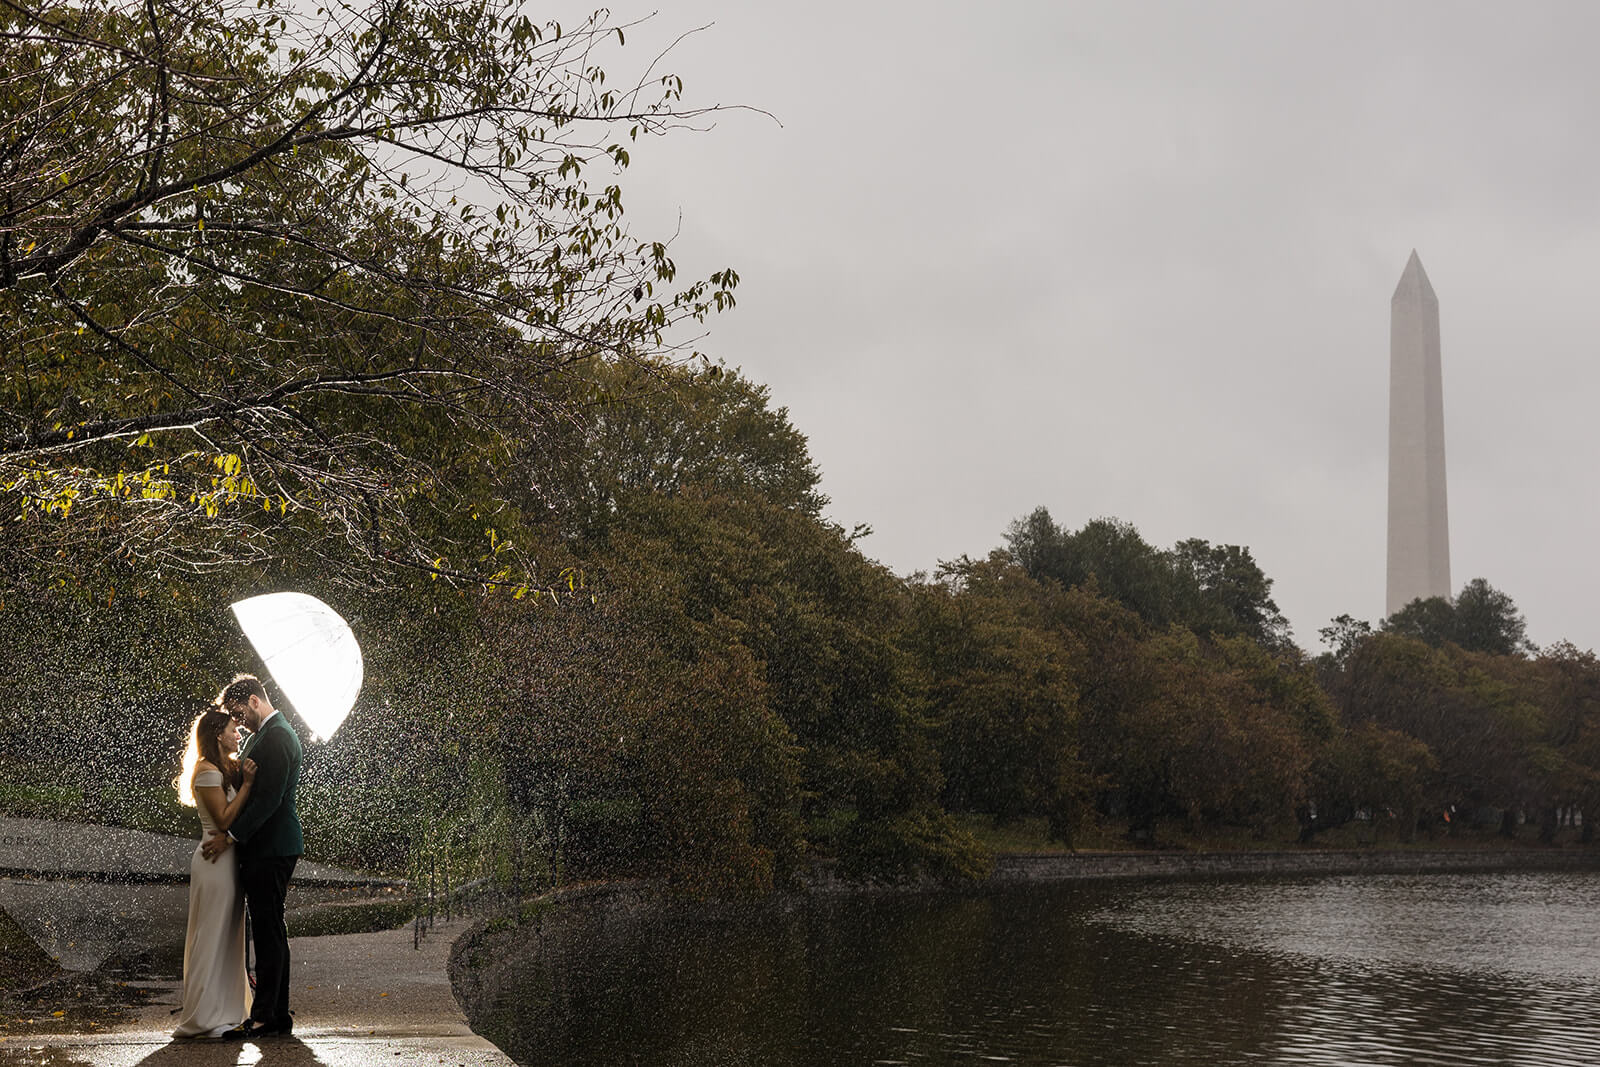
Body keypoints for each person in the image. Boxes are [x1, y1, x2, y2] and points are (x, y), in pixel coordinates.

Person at [202, 673, 304, 1040]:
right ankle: (274, 1014)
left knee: (268, 930)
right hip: (266, 846)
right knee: (270, 929)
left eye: (240, 712)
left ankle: (266, 1017)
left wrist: (231, 835)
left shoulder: (277, 737)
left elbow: (268, 800)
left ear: (256, 701)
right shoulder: (266, 734)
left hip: (273, 846)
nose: (239, 721)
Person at [172, 706, 258, 1038]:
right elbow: (223, 820)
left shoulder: (224, 768)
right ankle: (204, 1016)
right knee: (211, 935)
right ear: (217, 735)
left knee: (229, 936)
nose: (238, 734)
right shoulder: (207, 771)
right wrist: (247, 786)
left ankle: (228, 1009)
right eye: (233, 729)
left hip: (228, 861)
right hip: (214, 862)